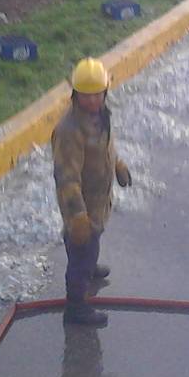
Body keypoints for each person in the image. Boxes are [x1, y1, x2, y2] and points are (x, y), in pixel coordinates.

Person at [52, 58, 133, 326]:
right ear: (75, 94)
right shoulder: (69, 131)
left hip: (98, 202)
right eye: (86, 96)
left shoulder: (100, 117)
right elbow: (67, 178)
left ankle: (89, 265)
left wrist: (118, 165)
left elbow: (105, 148)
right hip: (81, 206)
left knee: (90, 243)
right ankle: (76, 308)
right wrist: (77, 217)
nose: (92, 101)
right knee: (80, 254)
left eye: (97, 94)